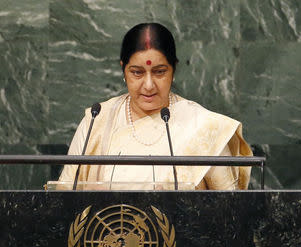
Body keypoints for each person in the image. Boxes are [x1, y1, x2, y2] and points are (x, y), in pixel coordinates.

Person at [59, 23, 253, 190]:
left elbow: (231, 212)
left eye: (159, 72)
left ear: (173, 70)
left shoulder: (205, 127)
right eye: (137, 73)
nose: (149, 85)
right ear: (123, 70)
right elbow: (63, 198)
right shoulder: (97, 120)